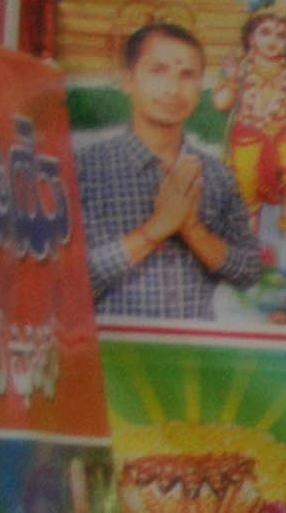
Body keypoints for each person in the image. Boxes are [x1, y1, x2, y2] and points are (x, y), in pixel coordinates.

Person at [77, 22, 265, 320]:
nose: (172, 89)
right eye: (157, 70)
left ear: (201, 84)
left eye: (187, 75)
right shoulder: (84, 169)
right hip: (110, 354)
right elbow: (65, 280)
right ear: (127, 80)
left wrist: (193, 231)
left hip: (194, 358)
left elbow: (250, 271)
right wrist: (156, 228)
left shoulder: (216, 175)